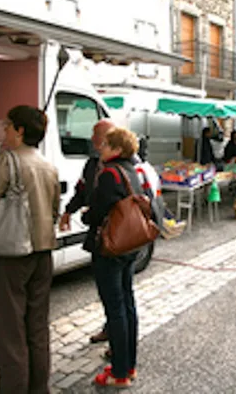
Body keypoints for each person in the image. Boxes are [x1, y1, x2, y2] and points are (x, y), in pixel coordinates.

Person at [0, 105, 60, 394]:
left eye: (8, 125)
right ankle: (38, 389)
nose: (3, 130)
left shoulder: (7, 160)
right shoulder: (48, 165)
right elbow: (55, 209)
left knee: (9, 330)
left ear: (20, 131)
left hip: (11, 255)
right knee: (37, 327)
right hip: (43, 252)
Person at [84, 127, 142, 388]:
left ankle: (119, 373)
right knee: (127, 305)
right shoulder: (132, 170)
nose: (101, 147)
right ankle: (128, 365)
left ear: (117, 149)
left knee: (115, 309)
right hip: (129, 246)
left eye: (106, 144)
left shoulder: (109, 174)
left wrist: (86, 215)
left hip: (110, 248)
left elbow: (97, 213)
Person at [59, 118, 115, 344]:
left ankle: (119, 344)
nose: (92, 139)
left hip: (117, 238)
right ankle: (111, 329)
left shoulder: (123, 166)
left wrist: (87, 215)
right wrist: (68, 211)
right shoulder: (92, 164)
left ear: (107, 138)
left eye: (96, 134)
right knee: (107, 292)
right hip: (99, 237)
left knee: (118, 295)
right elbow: (82, 191)